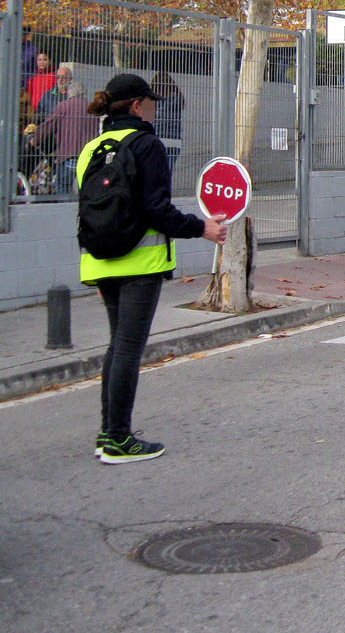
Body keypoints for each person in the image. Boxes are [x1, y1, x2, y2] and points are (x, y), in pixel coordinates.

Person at [77, 73, 227, 464]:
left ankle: (107, 433)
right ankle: (118, 439)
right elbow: (156, 210)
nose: (156, 108)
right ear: (135, 106)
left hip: (100, 260)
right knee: (128, 347)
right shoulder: (147, 145)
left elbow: (86, 212)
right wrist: (203, 228)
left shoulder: (91, 147)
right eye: (151, 102)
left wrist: (98, 270)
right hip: (140, 263)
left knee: (117, 346)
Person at [32, 79, 100, 194]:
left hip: (70, 153)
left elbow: (48, 125)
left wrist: (35, 139)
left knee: (62, 185)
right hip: (90, 155)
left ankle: (64, 211)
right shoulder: (92, 108)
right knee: (87, 187)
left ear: (70, 93)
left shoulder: (63, 106)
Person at [151, 71, 184, 180]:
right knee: (167, 174)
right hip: (175, 141)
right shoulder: (178, 99)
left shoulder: (150, 99)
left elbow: (147, 122)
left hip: (157, 139)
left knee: (153, 172)